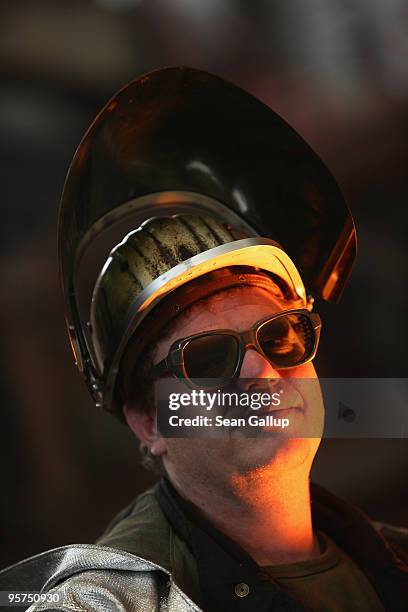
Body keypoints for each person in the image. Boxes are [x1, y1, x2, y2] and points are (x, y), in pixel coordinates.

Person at [1, 67, 407, 611]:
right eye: (210, 357)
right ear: (148, 423)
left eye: (280, 335)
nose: (261, 372)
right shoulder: (111, 598)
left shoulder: (390, 562)